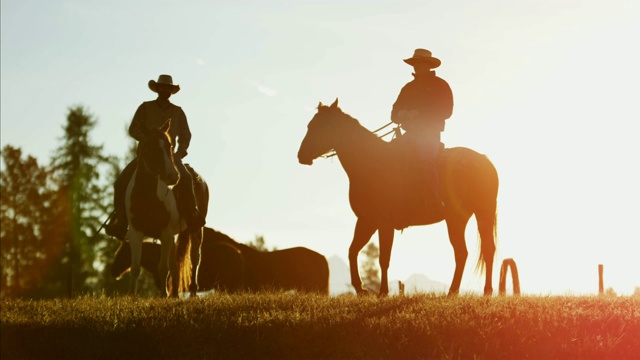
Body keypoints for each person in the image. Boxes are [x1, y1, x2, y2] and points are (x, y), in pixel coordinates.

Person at [105, 74, 206, 240]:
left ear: (171, 92)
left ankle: (191, 216)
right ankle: (121, 222)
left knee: (186, 179)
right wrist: (149, 142)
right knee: (121, 182)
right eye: (163, 88)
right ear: (158, 89)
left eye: (168, 88)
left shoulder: (178, 112)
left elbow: (186, 135)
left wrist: (180, 152)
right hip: (146, 157)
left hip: (170, 157)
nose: (165, 90)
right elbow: (133, 129)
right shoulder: (145, 108)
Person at [391, 48, 453, 209]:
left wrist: (419, 114)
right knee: (388, 157)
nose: (416, 67)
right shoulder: (408, 88)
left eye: (420, 63)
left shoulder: (440, 85)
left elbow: (446, 111)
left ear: (428, 65)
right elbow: (394, 113)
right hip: (410, 134)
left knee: (426, 160)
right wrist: (401, 114)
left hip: (429, 134)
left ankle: (433, 198)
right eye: (415, 64)